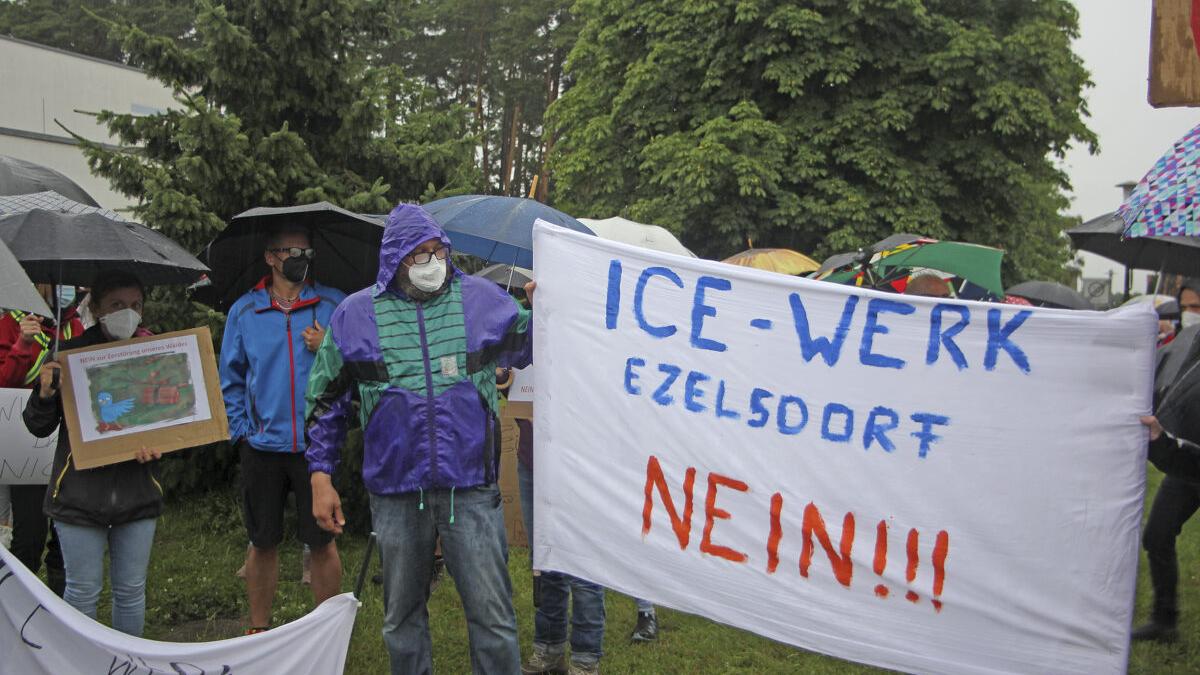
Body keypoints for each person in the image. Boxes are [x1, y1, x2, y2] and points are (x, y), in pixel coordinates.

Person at [306, 203, 532, 675]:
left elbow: (533, 340)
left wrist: (545, 307)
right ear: (395, 261)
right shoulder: (354, 316)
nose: (433, 263)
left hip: (470, 487)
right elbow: (326, 401)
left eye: (438, 252)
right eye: (419, 254)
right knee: (401, 618)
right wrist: (320, 478)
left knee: (493, 618)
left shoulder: (482, 300)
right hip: (395, 492)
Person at [219, 224, 345, 634]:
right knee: (263, 541)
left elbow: (362, 362)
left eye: (307, 252)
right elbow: (231, 378)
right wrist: (242, 430)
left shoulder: (333, 306)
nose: (301, 260)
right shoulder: (245, 311)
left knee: (323, 542)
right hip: (263, 446)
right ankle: (258, 629)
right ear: (271, 257)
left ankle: (325, 632)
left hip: (316, 447)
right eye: (292, 252)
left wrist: (330, 346)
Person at [21, 271, 162, 636]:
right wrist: (45, 394)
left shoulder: (157, 357)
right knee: (82, 593)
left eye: (135, 305)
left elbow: (175, 428)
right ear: (96, 308)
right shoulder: (67, 356)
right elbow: (38, 426)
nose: (127, 313)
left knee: (131, 593)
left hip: (137, 496)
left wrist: (159, 450)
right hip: (79, 498)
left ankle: (127, 662)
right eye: (117, 305)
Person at [0, 283, 84, 595]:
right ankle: (20, 604)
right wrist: (23, 343)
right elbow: (4, 385)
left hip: (67, 448)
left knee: (65, 539)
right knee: (29, 537)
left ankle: (60, 610)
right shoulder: (10, 325)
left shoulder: (75, 326)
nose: (66, 289)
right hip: (26, 446)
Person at [1133, 278, 1200, 643]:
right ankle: (1164, 620)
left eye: (1199, 308)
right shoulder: (1182, 348)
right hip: (1188, 462)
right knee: (1157, 535)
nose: (1192, 315)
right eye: (1187, 307)